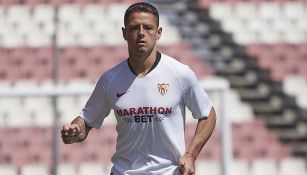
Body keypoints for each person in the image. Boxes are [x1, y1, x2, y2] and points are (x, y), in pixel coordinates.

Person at [61, 2, 216, 175]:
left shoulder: (180, 74)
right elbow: (86, 120)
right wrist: (75, 131)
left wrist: (191, 154)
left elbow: (207, 114)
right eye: (134, 27)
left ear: (158, 33)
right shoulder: (110, 80)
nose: (141, 33)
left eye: (148, 27)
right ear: (124, 33)